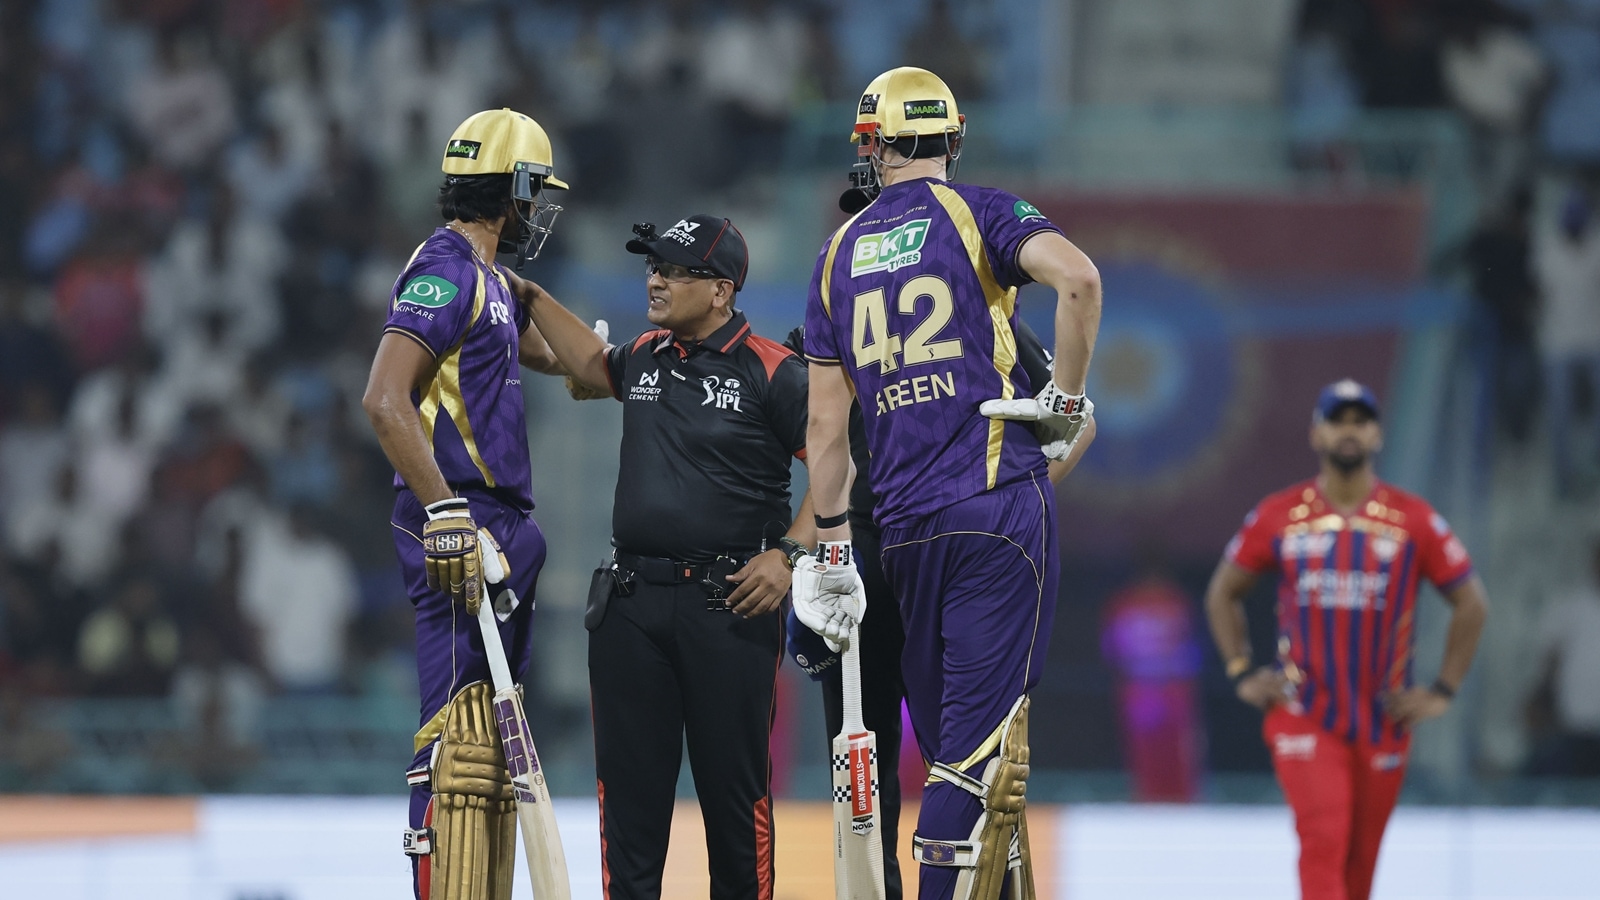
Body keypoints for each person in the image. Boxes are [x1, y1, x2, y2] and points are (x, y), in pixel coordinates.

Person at [795, 66, 1102, 900]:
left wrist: (831, 550)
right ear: (953, 138)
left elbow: (825, 429)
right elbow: (1079, 280)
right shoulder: (979, 212)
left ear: (872, 145)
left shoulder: (835, 255)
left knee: (956, 757)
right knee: (975, 764)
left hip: (902, 531)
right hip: (996, 509)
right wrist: (1066, 399)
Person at [504, 214, 814, 900]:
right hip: (631, 606)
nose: (656, 280)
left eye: (675, 270)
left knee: (735, 804)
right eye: (654, 267)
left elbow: (841, 465)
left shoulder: (775, 370)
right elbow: (588, 363)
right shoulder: (645, 353)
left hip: (729, 608)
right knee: (628, 807)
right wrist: (528, 295)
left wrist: (790, 554)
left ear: (721, 291)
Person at [784, 319, 1093, 900]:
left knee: (972, 763)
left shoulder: (975, 305)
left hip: (950, 556)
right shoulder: (831, 315)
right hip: (861, 561)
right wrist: (799, 553)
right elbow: (820, 443)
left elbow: (1080, 425)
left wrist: (1010, 499)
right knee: (862, 775)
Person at [361, 107, 570, 900]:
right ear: (512, 190)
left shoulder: (488, 279)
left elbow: (568, 360)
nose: (539, 209)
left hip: (498, 526)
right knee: (452, 748)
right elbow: (384, 399)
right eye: (535, 191)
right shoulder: (447, 270)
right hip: (462, 519)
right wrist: (446, 513)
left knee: (489, 756)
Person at [1203, 379, 1490, 900]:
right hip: (1304, 712)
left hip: (1383, 719)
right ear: (1317, 433)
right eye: (1338, 421)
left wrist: (1443, 690)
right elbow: (1223, 593)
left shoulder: (1413, 519)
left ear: (1378, 434)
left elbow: (1472, 603)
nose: (1349, 431)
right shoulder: (1280, 515)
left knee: (1359, 869)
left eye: (1361, 421)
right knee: (1323, 838)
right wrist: (1241, 672)